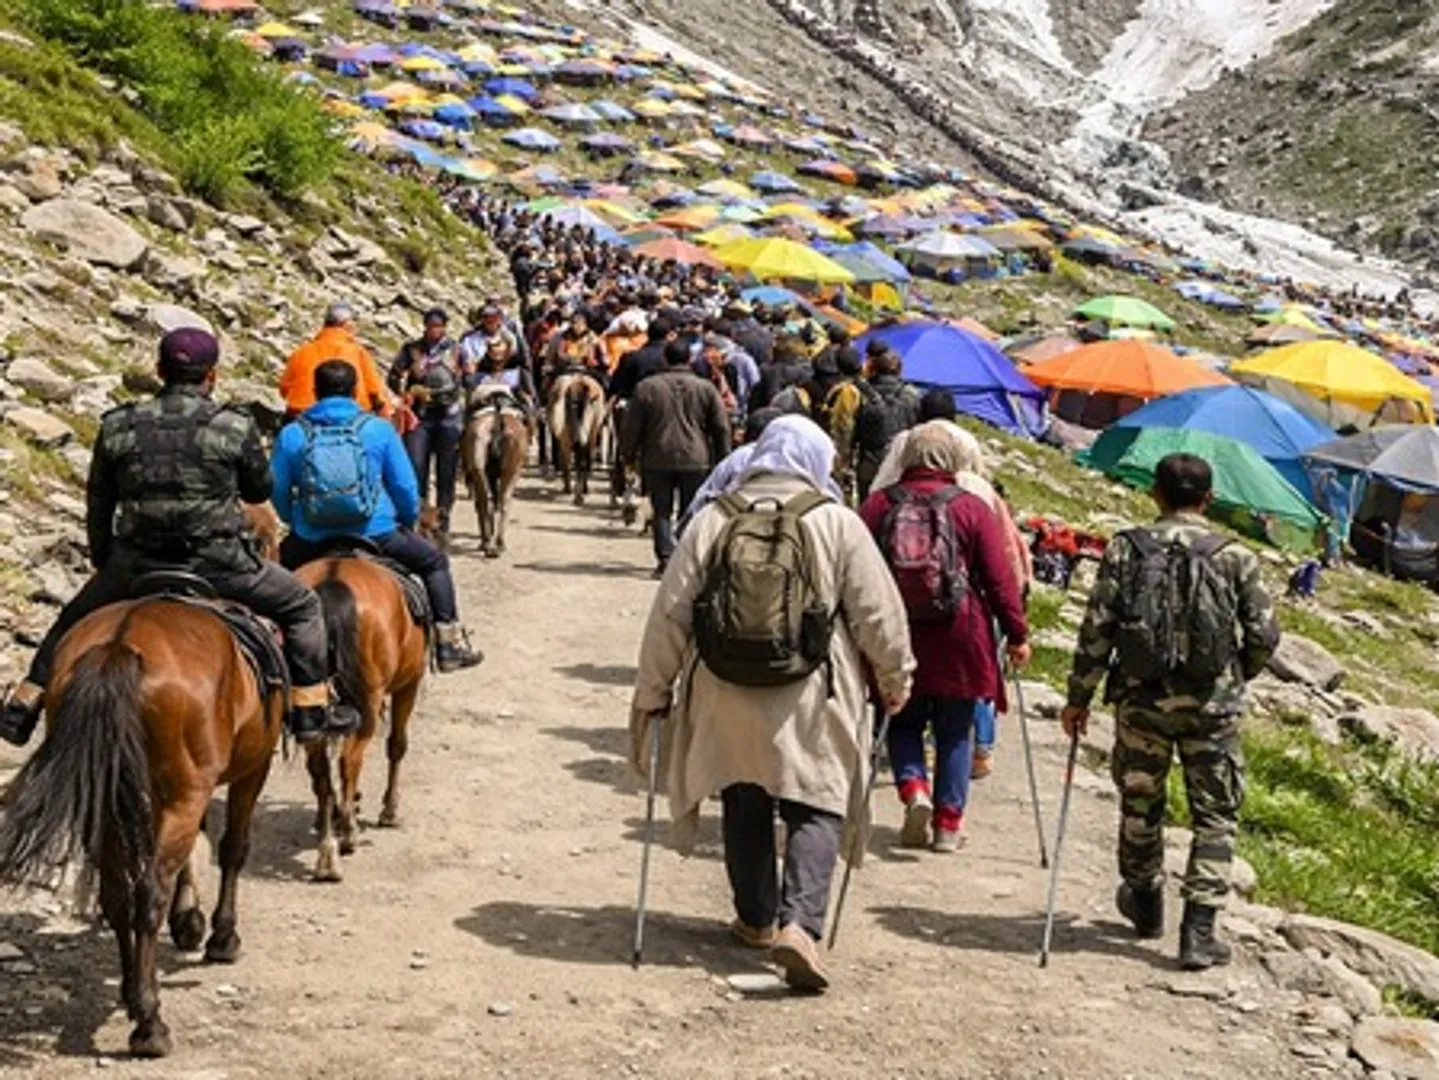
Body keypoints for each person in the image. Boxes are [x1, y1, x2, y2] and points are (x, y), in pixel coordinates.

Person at [630, 416, 914, 991]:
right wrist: (895, 675)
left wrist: (654, 692)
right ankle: (800, 928)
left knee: (743, 789)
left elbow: (672, 613)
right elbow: (877, 612)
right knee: (817, 799)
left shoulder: (714, 517)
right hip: (813, 688)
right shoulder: (836, 521)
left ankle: (756, 918)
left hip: (724, 686)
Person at [0, 329, 344, 746]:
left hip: (136, 563)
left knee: (71, 622)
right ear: (211, 375)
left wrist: (106, 560)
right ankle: (308, 708)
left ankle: (25, 703)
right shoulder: (233, 426)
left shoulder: (117, 425)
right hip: (220, 565)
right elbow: (258, 491)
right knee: (303, 605)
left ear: (160, 370)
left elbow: (100, 502)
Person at [1061, 453, 1280, 970]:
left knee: (1141, 802)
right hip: (1213, 707)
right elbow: (1265, 634)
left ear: (1155, 494)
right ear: (1208, 499)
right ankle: (1199, 932)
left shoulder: (1126, 547)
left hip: (1141, 702)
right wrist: (1235, 675)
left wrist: (1078, 696)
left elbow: (1098, 628)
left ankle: (1145, 902)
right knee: (1216, 815)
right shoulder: (1235, 555)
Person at [859, 422, 1029, 851]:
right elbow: (998, 578)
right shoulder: (972, 507)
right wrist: (1016, 633)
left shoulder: (879, 505)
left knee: (901, 719)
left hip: (897, 630)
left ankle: (913, 788)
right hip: (961, 633)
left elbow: (856, 573)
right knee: (955, 730)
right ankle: (948, 825)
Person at [271, 361, 483, 673]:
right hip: (377, 532)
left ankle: (272, 658)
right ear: (356, 391)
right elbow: (404, 486)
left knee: (271, 583)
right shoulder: (378, 429)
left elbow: (277, 489)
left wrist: (296, 520)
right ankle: (447, 643)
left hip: (311, 536)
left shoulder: (292, 434)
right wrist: (407, 520)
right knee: (435, 563)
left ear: (315, 392)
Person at [620, 340, 731, 576]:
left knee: (661, 510)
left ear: (665, 360)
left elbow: (631, 427)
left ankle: (665, 559)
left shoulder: (646, 387)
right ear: (689, 359)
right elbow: (721, 427)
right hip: (696, 458)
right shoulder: (706, 388)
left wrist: (628, 455)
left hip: (657, 457)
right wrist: (724, 459)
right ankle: (686, 558)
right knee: (690, 509)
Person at [387, 308, 474, 539]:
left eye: (439, 326)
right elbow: (393, 375)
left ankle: (443, 522)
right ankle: (419, 519)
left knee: (446, 473)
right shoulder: (411, 350)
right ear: (425, 326)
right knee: (416, 469)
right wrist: (406, 391)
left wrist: (462, 394)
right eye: (431, 326)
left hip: (449, 415)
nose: (435, 330)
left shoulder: (457, 350)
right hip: (420, 416)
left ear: (445, 327)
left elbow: (469, 379)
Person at [279, 302, 391, 419]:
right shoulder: (358, 352)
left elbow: (284, 389)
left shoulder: (301, 353)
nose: (356, 327)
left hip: (302, 416)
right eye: (354, 321)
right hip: (350, 419)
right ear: (346, 324)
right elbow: (375, 392)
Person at [852, 345, 920, 500]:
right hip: (899, 461)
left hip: (869, 459)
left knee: (866, 506)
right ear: (899, 371)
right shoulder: (911, 394)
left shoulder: (862, 392)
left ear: (873, 369)